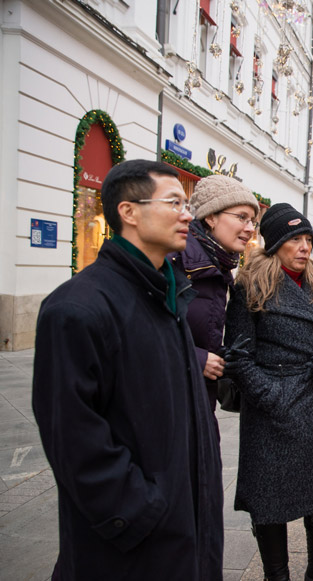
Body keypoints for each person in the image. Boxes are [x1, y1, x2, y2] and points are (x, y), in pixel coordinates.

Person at [31, 160, 224, 579]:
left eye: (187, 203)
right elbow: (74, 439)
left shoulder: (166, 296)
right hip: (130, 548)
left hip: (183, 534)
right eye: (174, 202)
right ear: (129, 212)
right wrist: (139, 511)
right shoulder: (77, 308)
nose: (187, 214)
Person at [224, 203, 313, 581]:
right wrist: (272, 398)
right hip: (275, 411)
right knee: (273, 497)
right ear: (275, 243)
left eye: (307, 240)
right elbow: (238, 356)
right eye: (294, 239)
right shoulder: (251, 285)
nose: (304, 247)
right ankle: (277, 574)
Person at [171, 174, 260, 415]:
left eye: (253, 221)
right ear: (211, 216)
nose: (250, 229)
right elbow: (140, 331)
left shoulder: (217, 264)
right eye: (241, 217)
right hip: (166, 401)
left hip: (196, 399)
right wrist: (198, 359)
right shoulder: (177, 261)